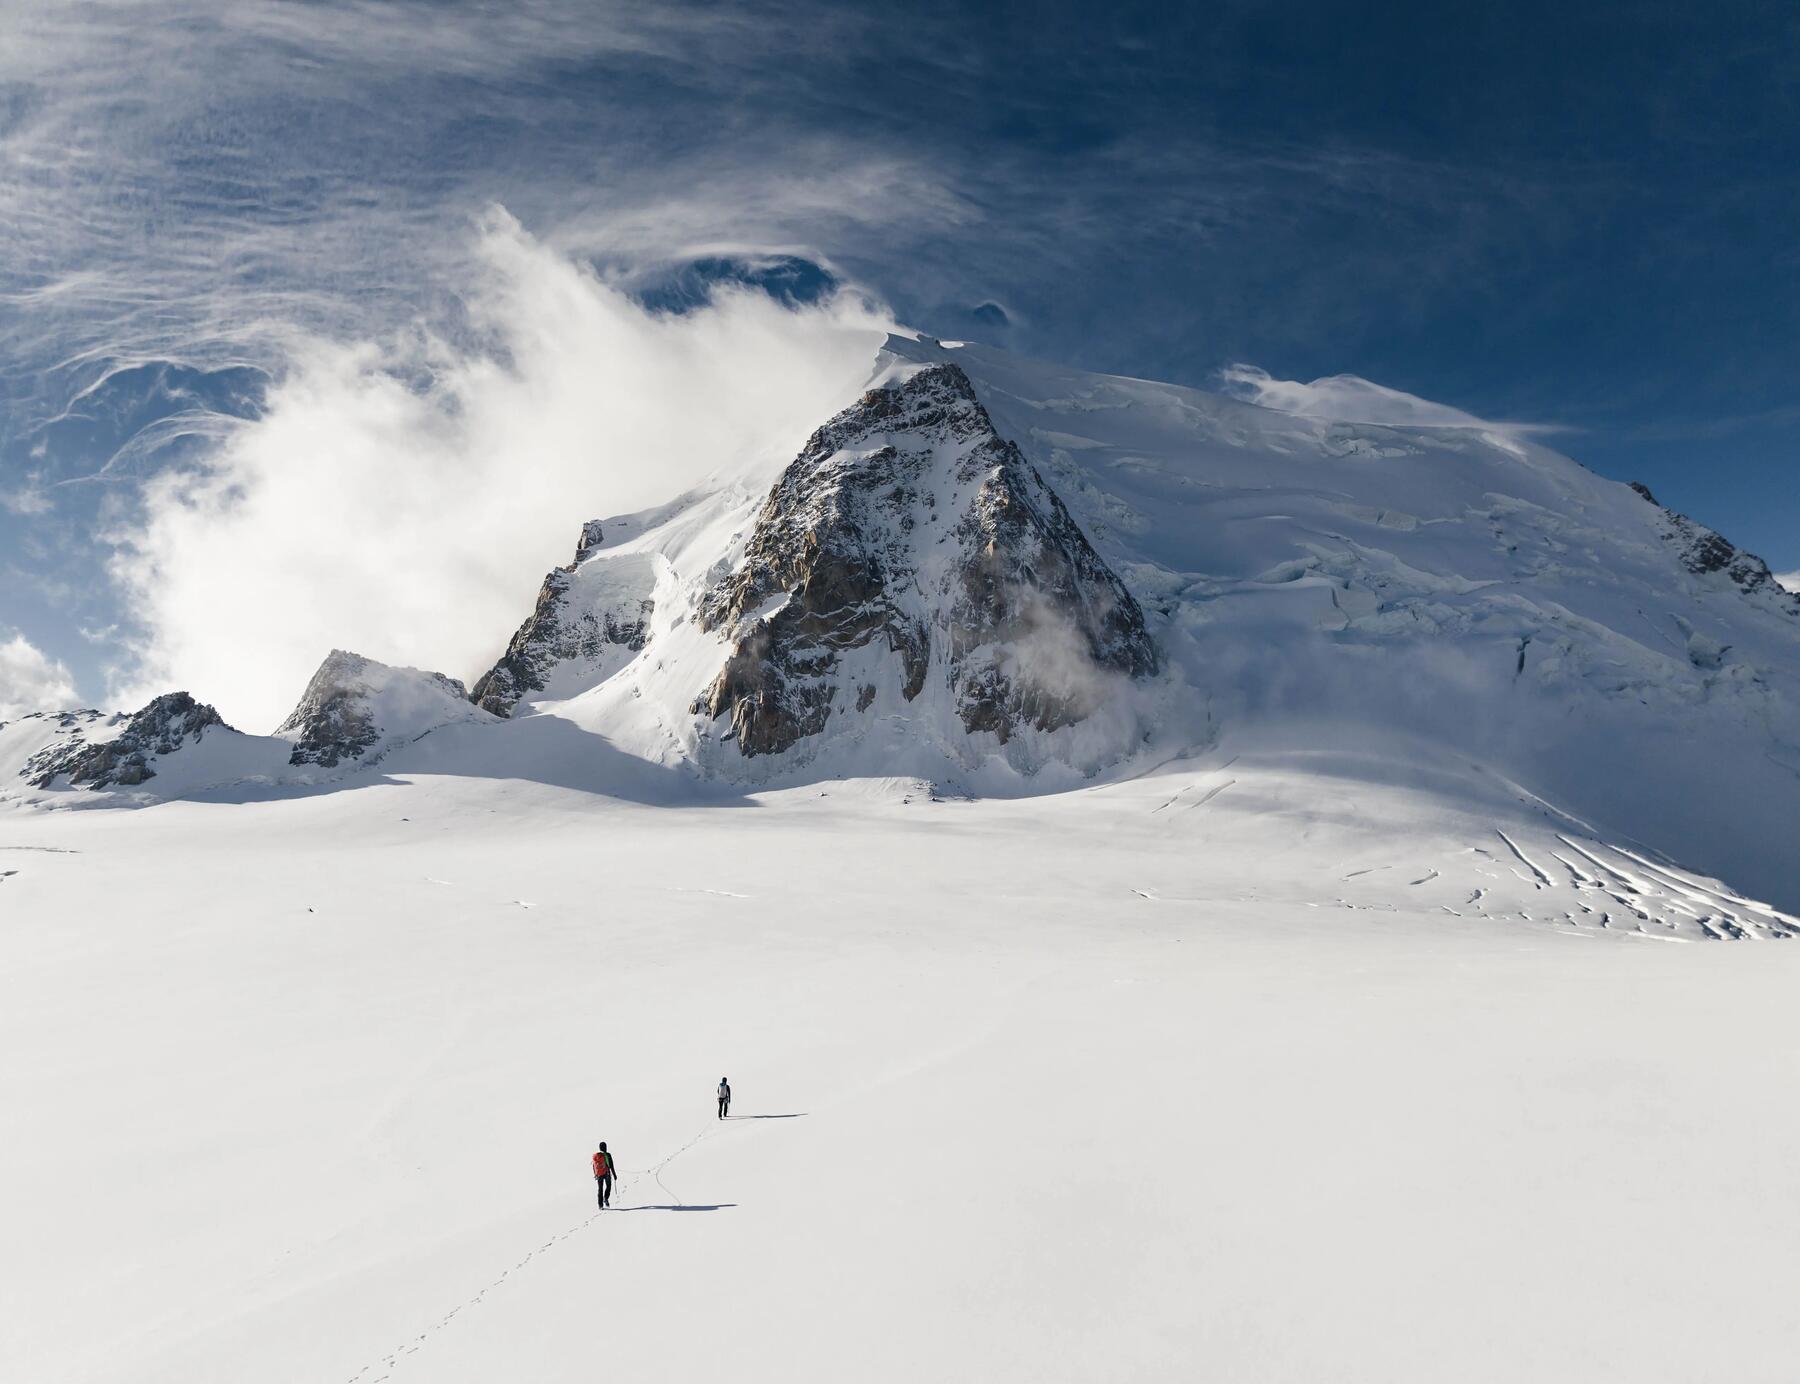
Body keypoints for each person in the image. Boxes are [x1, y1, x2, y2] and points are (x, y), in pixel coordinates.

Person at [593, 1141, 615, 1208]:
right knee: (608, 1186)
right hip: (606, 1173)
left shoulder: (596, 1156)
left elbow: (593, 1166)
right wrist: (614, 1174)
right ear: (605, 1147)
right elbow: (611, 1165)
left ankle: (600, 1205)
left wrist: (596, 1174)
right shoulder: (607, 1155)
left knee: (600, 1189)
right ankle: (606, 1198)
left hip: (599, 1174)